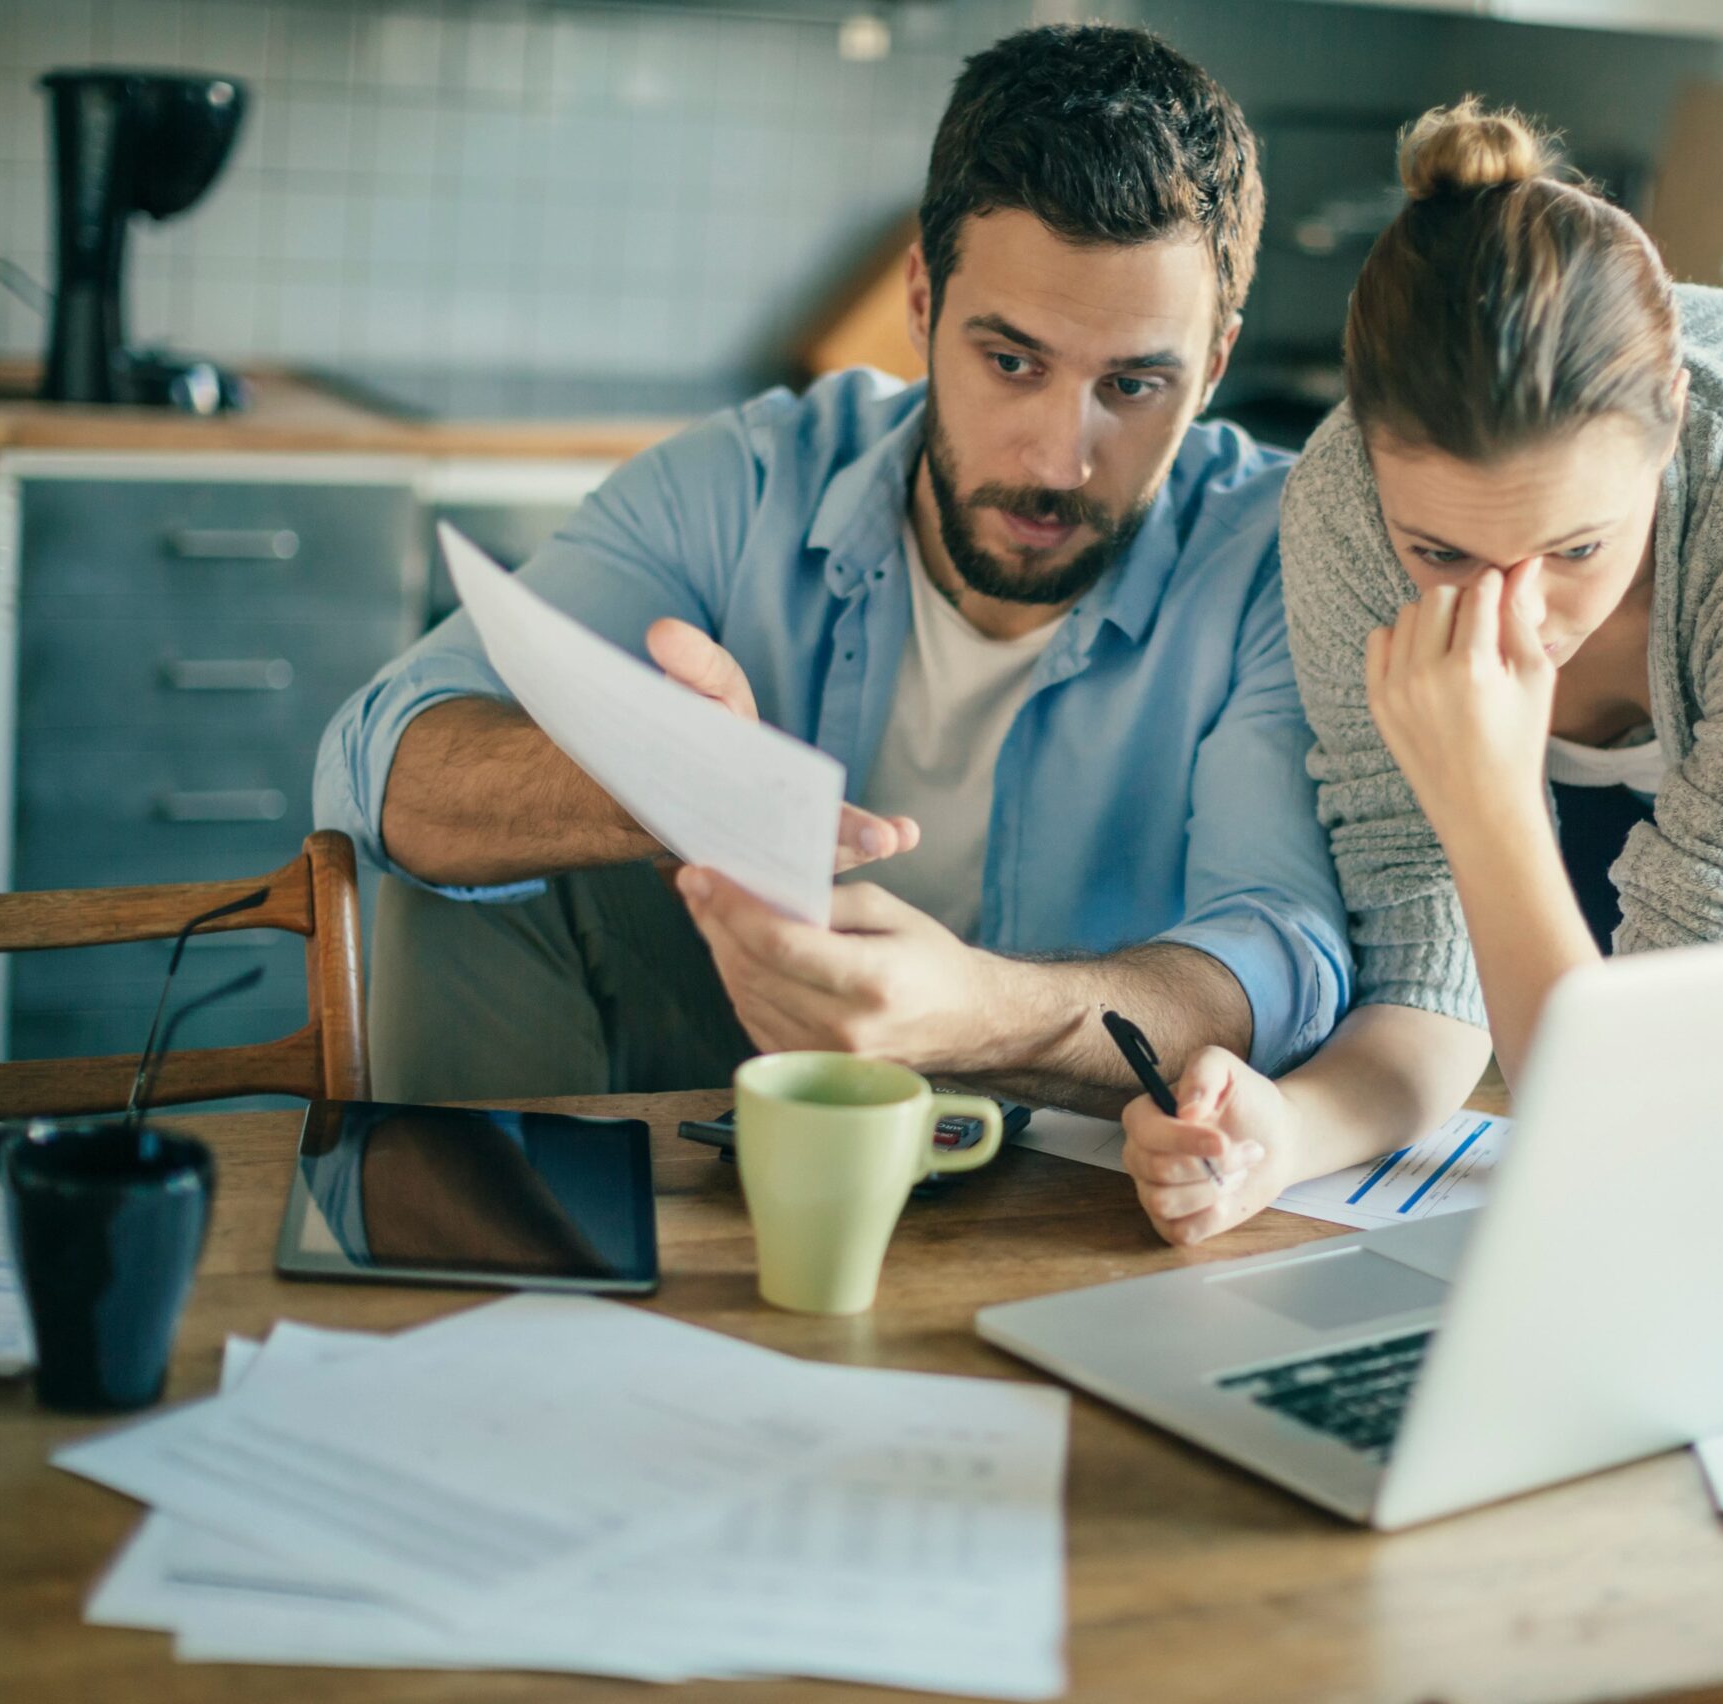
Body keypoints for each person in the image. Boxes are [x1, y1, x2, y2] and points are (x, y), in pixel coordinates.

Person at [315, 25, 1349, 1110]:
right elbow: (375, 763)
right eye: (1010, 362)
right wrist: (665, 782)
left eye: (1134, 386)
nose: (1059, 457)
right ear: (919, 303)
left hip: (1082, 1157)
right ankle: (490, 1270)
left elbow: (1281, 954)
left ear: (1216, 362)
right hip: (735, 1092)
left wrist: (977, 1012)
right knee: (468, 866)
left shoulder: (1276, 554)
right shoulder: (748, 479)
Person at [1121, 99, 1723, 1240]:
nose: (1511, 619)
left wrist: (1486, 807)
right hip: (1703, 787)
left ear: (1671, 421)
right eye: (1439, 552)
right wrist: (1282, 1132)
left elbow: (1653, 1117)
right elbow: (1428, 977)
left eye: (1574, 550)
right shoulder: (1340, 508)